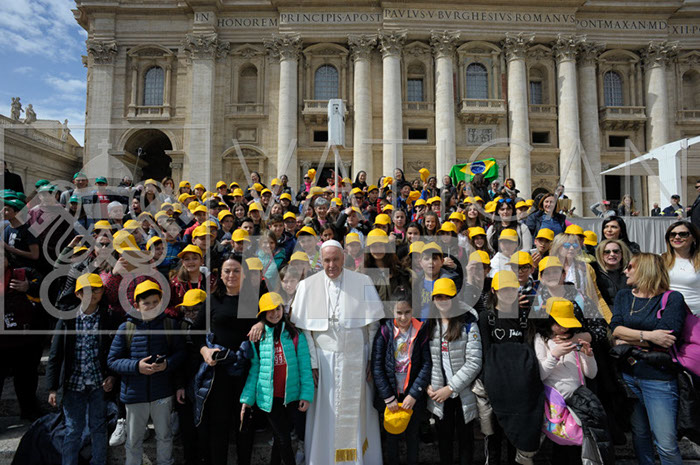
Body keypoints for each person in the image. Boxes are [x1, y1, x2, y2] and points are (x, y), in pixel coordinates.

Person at [290, 240, 385, 464]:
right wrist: (313, 363)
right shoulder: (308, 285)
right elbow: (305, 331)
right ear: (320, 261)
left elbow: (373, 326)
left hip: (357, 359)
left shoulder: (362, 281)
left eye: (335, 259)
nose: (331, 265)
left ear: (343, 258)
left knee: (358, 412)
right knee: (326, 412)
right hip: (324, 362)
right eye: (326, 260)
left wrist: (371, 359)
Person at [609, 253, 686, 465]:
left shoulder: (672, 298)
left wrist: (628, 339)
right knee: (640, 435)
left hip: (658, 378)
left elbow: (667, 338)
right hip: (628, 376)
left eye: (630, 267)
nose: (625, 271)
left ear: (645, 269)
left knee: (666, 443)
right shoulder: (624, 296)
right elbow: (615, 329)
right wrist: (649, 336)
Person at [107, 280, 186, 465]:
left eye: (155, 302)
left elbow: (181, 353)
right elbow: (112, 361)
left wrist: (167, 364)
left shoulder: (169, 325)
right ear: (137, 305)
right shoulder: (126, 328)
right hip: (135, 394)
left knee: (165, 436)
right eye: (146, 303)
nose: (151, 307)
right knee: (133, 439)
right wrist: (136, 367)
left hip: (162, 392)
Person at [46, 273, 120, 465]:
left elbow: (116, 350)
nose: (92, 294)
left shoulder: (109, 317)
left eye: (96, 289)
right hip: (73, 383)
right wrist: (53, 388)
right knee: (73, 429)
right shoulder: (67, 319)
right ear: (78, 294)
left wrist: (112, 375)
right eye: (86, 290)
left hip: (98, 383)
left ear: (103, 291)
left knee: (98, 426)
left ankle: (99, 462)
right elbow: (55, 354)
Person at [193, 253, 258, 465]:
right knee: (218, 424)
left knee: (244, 422)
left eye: (236, 270)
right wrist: (204, 351)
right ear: (220, 275)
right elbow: (195, 332)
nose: (231, 275)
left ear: (244, 274)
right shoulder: (213, 300)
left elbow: (272, 319)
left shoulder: (252, 300)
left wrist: (262, 323)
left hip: (245, 371)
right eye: (227, 271)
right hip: (218, 371)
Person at [240, 292, 314, 465]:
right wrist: (247, 400)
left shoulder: (295, 334)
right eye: (269, 310)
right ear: (262, 313)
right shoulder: (258, 337)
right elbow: (254, 371)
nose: (274, 313)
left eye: (278, 309)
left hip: (291, 397)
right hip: (269, 399)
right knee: (283, 438)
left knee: (279, 437)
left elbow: (304, 367)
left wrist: (306, 395)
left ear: (283, 309)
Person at [479, 271, 542, 465]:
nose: (508, 293)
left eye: (512, 289)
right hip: (495, 388)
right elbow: (485, 354)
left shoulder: (525, 317)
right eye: (503, 290)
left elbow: (530, 353)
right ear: (494, 291)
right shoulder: (486, 318)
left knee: (517, 438)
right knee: (494, 438)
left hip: (520, 389)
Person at [425, 278, 482, 465]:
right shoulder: (430, 324)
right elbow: (423, 359)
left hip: (463, 392)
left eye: (447, 297)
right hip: (438, 393)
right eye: (438, 297)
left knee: (466, 439)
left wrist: (450, 388)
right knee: (444, 439)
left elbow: (474, 362)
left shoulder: (468, 322)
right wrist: (427, 385)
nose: (442, 301)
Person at [371, 288, 431, 465]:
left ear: (413, 310)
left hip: (412, 397)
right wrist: (388, 397)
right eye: (399, 313)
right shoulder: (384, 332)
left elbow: (426, 364)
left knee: (413, 436)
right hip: (391, 396)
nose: (403, 317)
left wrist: (414, 394)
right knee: (392, 438)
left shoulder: (420, 331)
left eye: (407, 312)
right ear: (392, 311)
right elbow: (377, 366)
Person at [535, 298, 598, 464]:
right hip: (555, 405)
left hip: (577, 404)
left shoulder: (574, 339)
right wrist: (555, 355)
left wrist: (589, 356)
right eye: (559, 324)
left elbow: (591, 374)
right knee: (559, 446)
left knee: (577, 447)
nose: (564, 329)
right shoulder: (541, 340)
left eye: (567, 324)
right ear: (549, 321)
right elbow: (540, 374)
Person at [662, 221, 700, 316]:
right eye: (672, 234)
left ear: (693, 238)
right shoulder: (660, 260)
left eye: (683, 234)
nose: (677, 237)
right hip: (667, 312)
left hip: (695, 314)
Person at [593, 239, 632, 308]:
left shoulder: (630, 272)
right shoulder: (595, 273)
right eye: (607, 252)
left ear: (622, 254)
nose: (612, 254)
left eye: (616, 251)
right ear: (600, 254)